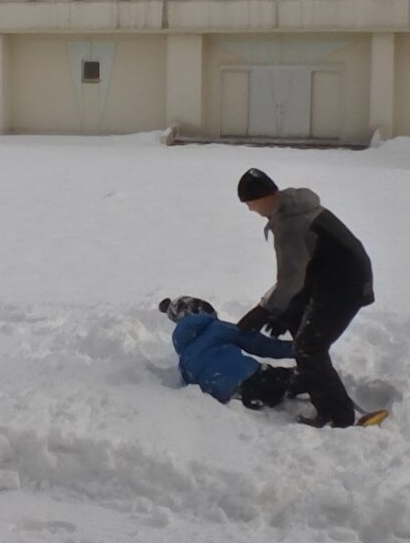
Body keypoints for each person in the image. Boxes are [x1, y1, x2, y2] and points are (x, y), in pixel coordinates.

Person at [234, 168, 374, 428]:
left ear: (263, 197)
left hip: (345, 284)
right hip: (331, 276)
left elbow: (291, 279)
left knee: (309, 348)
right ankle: (309, 379)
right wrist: (285, 310)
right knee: (296, 321)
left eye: (250, 203)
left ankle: (337, 414)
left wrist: (263, 310)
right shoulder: (292, 207)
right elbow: (304, 269)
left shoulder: (290, 224)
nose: (250, 210)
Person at [159, 296, 298, 410]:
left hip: (230, 399)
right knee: (301, 377)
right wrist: (298, 349)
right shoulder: (216, 328)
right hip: (255, 381)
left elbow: (190, 389)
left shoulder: (183, 359)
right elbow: (260, 345)